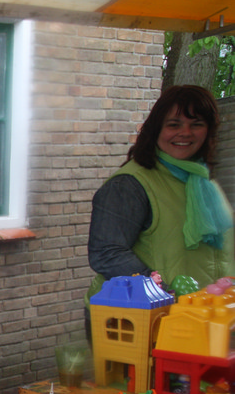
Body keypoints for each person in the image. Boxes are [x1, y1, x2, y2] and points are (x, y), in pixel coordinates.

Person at [87, 85, 235, 308]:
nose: (185, 132)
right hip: (148, 316)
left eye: (196, 124)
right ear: (156, 129)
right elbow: (107, 253)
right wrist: (166, 294)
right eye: (174, 124)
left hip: (207, 313)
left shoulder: (203, 179)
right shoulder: (129, 185)